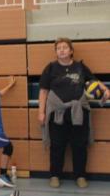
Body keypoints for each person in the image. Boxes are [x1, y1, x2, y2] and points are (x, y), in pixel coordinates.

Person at [38, 38, 110, 188]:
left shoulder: (80, 67)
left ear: (71, 51)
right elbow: (43, 91)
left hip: (78, 112)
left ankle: (80, 176)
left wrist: (105, 89)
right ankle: (55, 175)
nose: (62, 50)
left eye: (65, 47)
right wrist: (41, 112)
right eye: (58, 48)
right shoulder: (50, 68)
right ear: (56, 52)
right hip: (57, 113)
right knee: (57, 145)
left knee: (79, 145)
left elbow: (94, 81)